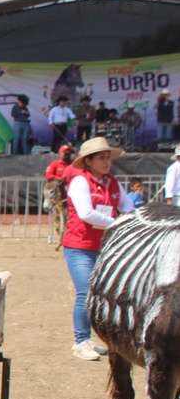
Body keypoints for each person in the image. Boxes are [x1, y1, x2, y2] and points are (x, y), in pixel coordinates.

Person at [60, 137, 134, 361]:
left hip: (106, 248)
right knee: (86, 293)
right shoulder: (80, 182)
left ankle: (94, 339)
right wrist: (119, 222)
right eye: (101, 157)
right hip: (79, 247)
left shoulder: (113, 182)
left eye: (107, 157)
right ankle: (81, 341)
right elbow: (86, 213)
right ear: (88, 161)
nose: (106, 161)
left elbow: (128, 205)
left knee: (106, 295)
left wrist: (129, 216)